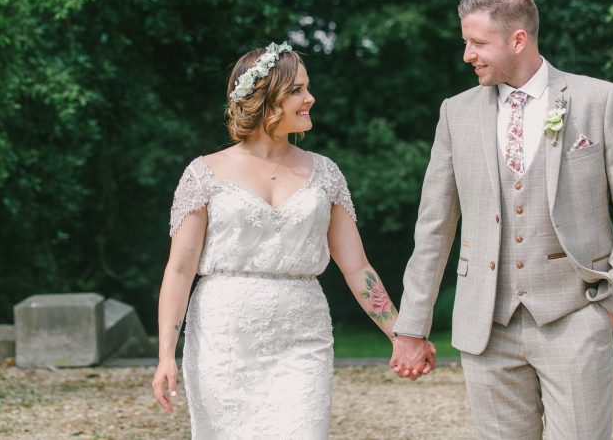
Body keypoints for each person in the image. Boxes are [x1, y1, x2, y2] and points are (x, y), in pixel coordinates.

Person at [390, 0, 613, 439]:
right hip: (487, 329)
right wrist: (412, 327)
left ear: (518, 40)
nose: (467, 55)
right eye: (465, 42)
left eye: (477, 43)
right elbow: (434, 228)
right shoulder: (455, 113)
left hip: (576, 318)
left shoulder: (599, 100)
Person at [151, 42, 435, 438]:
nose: (310, 98)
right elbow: (180, 269)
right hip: (222, 340)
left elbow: (357, 267)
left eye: (308, 87)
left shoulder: (326, 174)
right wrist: (166, 354)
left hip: (303, 339)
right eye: (297, 90)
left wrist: (401, 334)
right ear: (265, 99)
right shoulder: (204, 174)